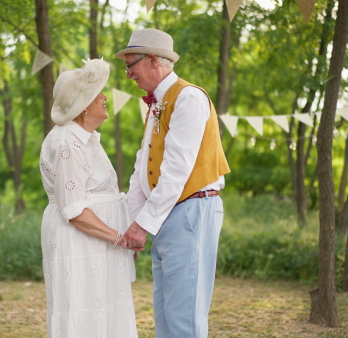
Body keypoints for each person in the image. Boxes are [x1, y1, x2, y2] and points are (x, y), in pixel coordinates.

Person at [115, 29, 231, 338]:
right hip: (167, 213)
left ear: (153, 60)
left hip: (191, 209)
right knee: (165, 314)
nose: (128, 75)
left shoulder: (189, 97)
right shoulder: (156, 104)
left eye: (131, 66)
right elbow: (144, 166)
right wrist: (136, 222)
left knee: (185, 318)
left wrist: (144, 224)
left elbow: (176, 171)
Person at [39, 58, 142, 338]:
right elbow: (73, 209)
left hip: (98, 244)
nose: (105, 96)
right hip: (79, 242)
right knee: (82, 310)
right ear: (84, 105)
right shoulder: (66, 143)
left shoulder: (87, 139)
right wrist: (118, 237)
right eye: (99, 93)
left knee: (105, 311)